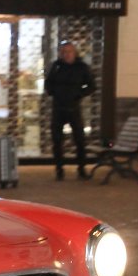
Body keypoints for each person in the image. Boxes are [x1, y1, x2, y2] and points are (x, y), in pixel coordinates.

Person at [45, 42, 95, 180]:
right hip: (58, 108)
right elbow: (48, 83)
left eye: (69, 51)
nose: (67, 54)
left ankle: (81, 168)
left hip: (74, 108)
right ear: (60, 54)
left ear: (75, 53)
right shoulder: (56, 66)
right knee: (57, 140)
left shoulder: (82, 67)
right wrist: (54, 92)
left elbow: (92, 85)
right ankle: (59, 170)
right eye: (64, 52)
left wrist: (79, 94)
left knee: (79, 139)